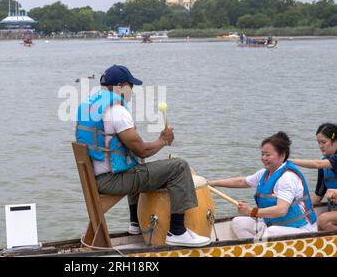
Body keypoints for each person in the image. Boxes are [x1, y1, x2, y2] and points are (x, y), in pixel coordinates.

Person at [75, 65, 211, 247]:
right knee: (179, 167)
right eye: (131, 86)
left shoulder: (88, 105)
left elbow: (130, 149)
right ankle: (177, 232)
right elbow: (142, 150)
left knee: (136, 163)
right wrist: (163, 140)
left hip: (97, 176)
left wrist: (151, 145)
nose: (132, 91)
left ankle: (135, 225)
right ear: (121, 85)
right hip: (111, 180)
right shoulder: (117, 110)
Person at [209, 132, 317, 239]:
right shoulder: (264, 173)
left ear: (282, 156)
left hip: (302, 229)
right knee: (238, 222)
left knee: (271, 232)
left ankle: (259, 249)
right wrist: (213, 183)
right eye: (262, 154)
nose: (264, 158)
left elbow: (281, 210)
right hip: (276, 224)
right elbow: (242, 181)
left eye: (268, 155)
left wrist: (252, 211)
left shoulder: (287, 178)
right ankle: (254, 250)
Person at [291, 123, 337, 231]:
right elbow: (317, 197)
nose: (320, 146)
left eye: (324, 142)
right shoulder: (324, 164)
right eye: (318, 142)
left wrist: (289, 161)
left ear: (335, 141)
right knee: (314, 222)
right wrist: (294, 205)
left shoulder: (324, 163)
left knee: (323, 220)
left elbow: (317, 164)